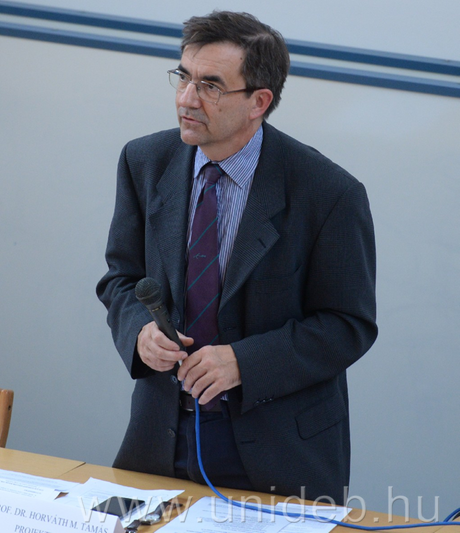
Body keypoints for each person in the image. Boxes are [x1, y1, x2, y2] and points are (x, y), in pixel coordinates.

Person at [96, 11, 376, 504]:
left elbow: (347, 325)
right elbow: (121, 278)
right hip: (158, 437)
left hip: (280, 451)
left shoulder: (329, 193)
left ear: (258, 102)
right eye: (183, 76)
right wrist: (139, 332)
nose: (186, 99)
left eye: (210, 86)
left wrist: (243, 362)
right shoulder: (144, 162)